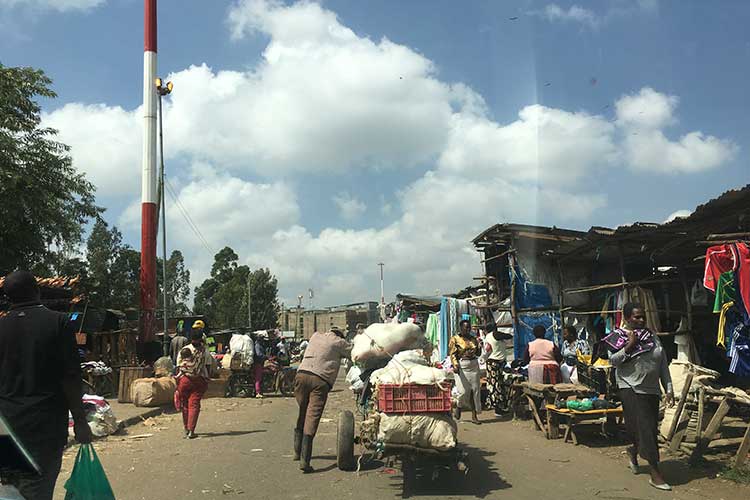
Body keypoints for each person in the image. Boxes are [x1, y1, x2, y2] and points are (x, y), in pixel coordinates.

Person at [0, 271, 92, 499]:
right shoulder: (58, 322)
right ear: (37, 290)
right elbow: (70, 377)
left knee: (11, 491)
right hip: (45, 428)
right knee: (37, 489)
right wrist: (80, 421)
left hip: (7, 429)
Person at [607, 302, 675, 491]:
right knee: (646, 429)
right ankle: (655, 473)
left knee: (647, 428)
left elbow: (662, 362)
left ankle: (633, 450)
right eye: (636, 317)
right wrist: (630, 345)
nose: (641, 320)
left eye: (643, 316)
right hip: (630, 387)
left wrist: (669, 388)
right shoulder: (618, 336)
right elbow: (613, 361)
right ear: (627, 318)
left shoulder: (652, 336)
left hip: (651, 389)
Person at [294, 326, 352, 473]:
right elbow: (354, 353)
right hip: (320, 380)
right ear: (340, 336)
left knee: (302, 411)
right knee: (312, 416)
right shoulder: (339, 343)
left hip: (301, 375)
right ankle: (304, 461)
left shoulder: (315, 336)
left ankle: (296, 451)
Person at [176, 329, 209, 439]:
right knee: (194, 405)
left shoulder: (185, 350)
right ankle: (191, 430)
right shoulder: (204, 350)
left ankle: (186, 428)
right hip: (198, 380)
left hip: (184, 380)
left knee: (185, 405)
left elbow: (178, 365)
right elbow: (207, 365)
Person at [449, 319, 482, 424]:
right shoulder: (455, 339)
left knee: (475, 391)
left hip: (473, 365)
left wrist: (480, 346)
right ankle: (459, 406)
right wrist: (455, 365)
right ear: (461, 328)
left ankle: (474, 415)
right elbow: (452, 354)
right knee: (463, 391)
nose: (467, 329)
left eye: (469, 327)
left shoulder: (473, 339)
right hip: (461, 366)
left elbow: (478, 353)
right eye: (465, 328)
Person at [482, 324, 513, 416]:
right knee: (497, 386)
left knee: (495, 385)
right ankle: (498, 409)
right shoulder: (495, 334)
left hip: (493, 363)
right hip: (496, 363)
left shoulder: (487, 336)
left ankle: (497, 406)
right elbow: (508, 336)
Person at [253, 332, 269, 398]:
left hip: (260, 363)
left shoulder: (259, 345)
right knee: (258, 378)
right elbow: (259, 354)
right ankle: (258, 392)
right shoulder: (257, 346)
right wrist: (265, 356)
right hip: (258, 363)